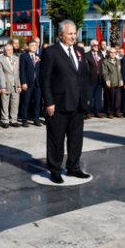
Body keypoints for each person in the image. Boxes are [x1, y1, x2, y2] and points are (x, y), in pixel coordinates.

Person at [40, 20, 90, 184]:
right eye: (70, 33)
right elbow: (45, 79)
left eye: (75, 33)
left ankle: (73, 168)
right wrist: (49, 102)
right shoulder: (51, 52)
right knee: (56, 139)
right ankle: (55, 170)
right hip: (59, 104)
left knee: (76, 138)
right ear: (60, 35)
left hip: (77, 103)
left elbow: (82, 76)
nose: (73, 36)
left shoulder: (79, 51)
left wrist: (85, 97)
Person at [19, 39, 42, 127]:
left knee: (37, 102)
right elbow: (22, 70)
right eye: (32, 45)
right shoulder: (24, 56)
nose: (34, 47)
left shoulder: (38, 56)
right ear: (28, 46)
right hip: (28, 83)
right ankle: (24, 119)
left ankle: (36, 118)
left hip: (37, 83)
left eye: (35, 46)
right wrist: (23, 82)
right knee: (26, 102)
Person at [0, 43, 21, 128]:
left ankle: (14, 120)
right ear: (4, 51)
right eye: (8, 50)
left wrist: (19, 85)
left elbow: (18, 73)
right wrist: (2, 86)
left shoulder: (17, 59)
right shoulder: (0, 59)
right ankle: (5, 120)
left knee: (15, 103)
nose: (10, 52)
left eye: (11, 50)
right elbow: (1, 74)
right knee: (5, 103)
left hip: (15, 84)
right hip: (6, 84)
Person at [100, 47, 124, 118]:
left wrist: (121, 80)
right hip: (110, 83)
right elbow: (104, 73)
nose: (113, 54)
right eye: (111, 52)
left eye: (114, 52)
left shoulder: (118, 61)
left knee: (118, 99)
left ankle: (117, 112)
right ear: (108, 53)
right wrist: (107, 81)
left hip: (118, 82)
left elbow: (120, 72)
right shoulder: (105, 62)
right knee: (110, 98)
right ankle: (109, 112)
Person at [84, 40, 104, 119]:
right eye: (94, 45)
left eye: (97, 45)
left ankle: (97, 111)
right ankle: (88, 112)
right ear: (91, 46)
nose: (96, 46)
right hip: (90, 79)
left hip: (99, 78)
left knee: (98, 96)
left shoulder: (100, 54)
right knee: (89, 96)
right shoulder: (87, 55)